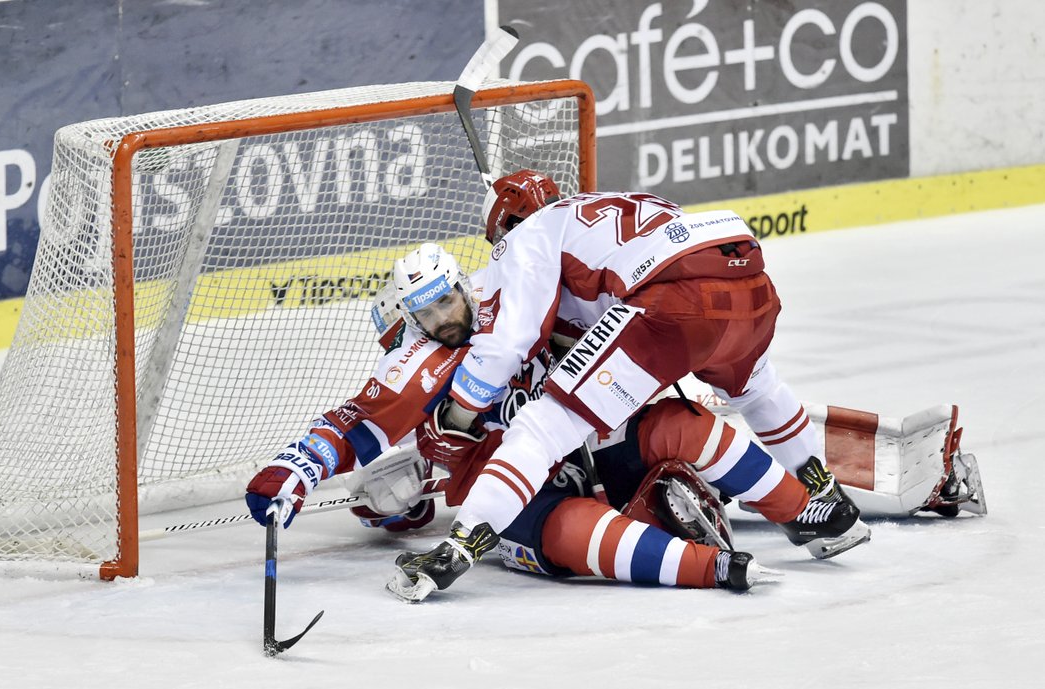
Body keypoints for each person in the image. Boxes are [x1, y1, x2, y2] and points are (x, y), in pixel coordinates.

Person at [391, 171, 872, 602]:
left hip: (673, 300)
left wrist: (459, 412)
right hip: (744, 272)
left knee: (543, 425)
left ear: (504, 229)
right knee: (759, 390)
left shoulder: (525, 239)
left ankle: (462, 545)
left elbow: (505, 346)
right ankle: (820, 505)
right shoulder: (603, 207)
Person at [245, 244, 821, 596]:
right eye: (426, 313)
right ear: (411, 320)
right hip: (512, 501)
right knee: (569, 531)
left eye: (447, 300)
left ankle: (812, 511)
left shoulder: (513, 299)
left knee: (679, 423)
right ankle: (716, 571)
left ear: (463, 288)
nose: (445, 318)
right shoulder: (421, 359)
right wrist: (294, 468)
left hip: (584, 453)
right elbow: (358, 423)